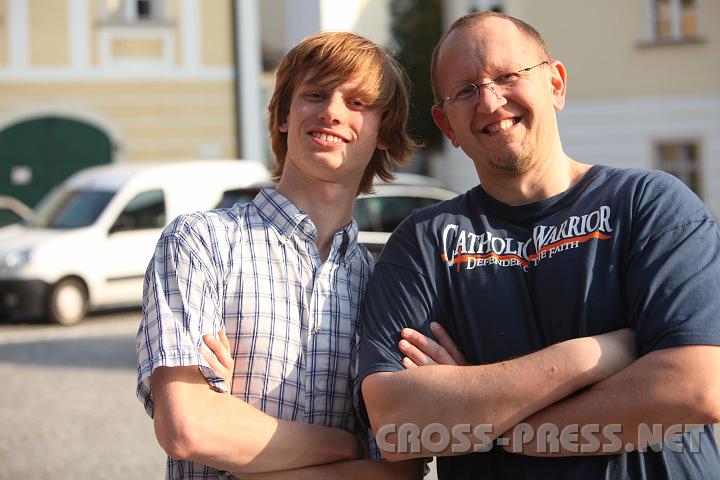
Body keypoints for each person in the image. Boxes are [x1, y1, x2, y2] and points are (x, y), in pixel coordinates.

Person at [355, 11, 720, 479]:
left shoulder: (650, 206)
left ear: (556, 84)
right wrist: (594, 356)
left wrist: (486, 425)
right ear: (447, 124)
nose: (489, 101)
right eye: (465, 90)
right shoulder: (424, 243)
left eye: (507, 76)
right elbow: (395, 422)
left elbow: (694, 389)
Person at [135, 31, 426, 479]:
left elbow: (401, 468)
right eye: (315, 94)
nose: (331, 110)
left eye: (358, 103)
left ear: (383, 132)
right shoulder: (200, 243)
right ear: (285, 115)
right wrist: (348, 444)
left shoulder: (383, 285)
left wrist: (239, 437)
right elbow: (187, 428)